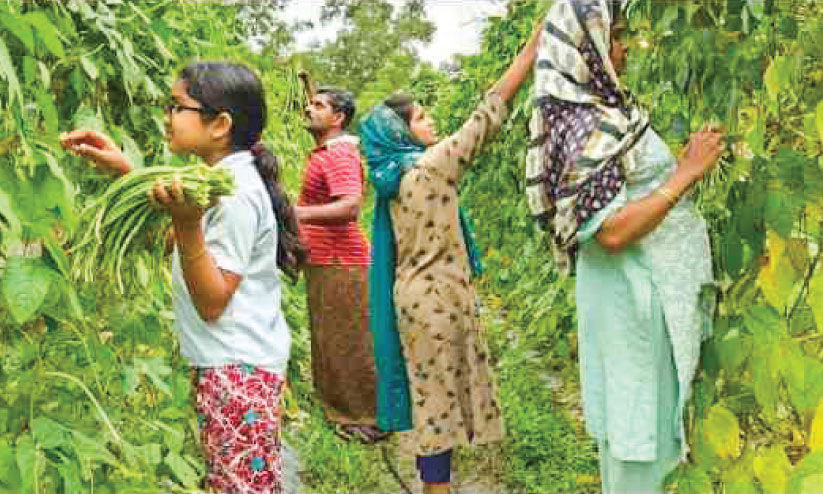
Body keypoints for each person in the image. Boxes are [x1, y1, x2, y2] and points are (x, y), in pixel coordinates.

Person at [61, 61, 302, 494]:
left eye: (177, 107)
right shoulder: (219, 182)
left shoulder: (235, 194)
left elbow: (212, 302)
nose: (167, 116)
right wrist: (126, 171)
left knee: (239, 488)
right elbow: (186, 240)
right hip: (235, 364)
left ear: (220, 124)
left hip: (237, 372)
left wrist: (188, 225)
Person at [524, 1, 724, 492]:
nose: (625, 46)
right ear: (586, 46)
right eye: (616, 36)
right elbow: (609, 230)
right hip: (633, 298)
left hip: (635, 296)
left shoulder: (599, 110)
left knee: (644, 429)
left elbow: (625, 184)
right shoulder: (584, 123)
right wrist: (686, 172)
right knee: (639, 437)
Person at [358, 25, 542, 494]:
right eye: (421, 116)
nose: (430, 119)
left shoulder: (394, 179)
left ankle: (435, 486)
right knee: (437, 409)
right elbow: (487, 117)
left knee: (430, 399)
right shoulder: (429, 167)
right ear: (402, 130)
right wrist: (528, 55)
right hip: (438, 300)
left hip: (415, 299)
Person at [295, 88, 383, 443]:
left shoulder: (340, 154)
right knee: (332, 335)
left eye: (319, 106)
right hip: (327, 258)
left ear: (338, 118)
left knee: (348, 338)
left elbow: (349, 207)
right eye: (310, 103)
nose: (308, 109)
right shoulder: (328, 152)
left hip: (341, 259)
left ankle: (366, 416)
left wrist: (295, 213)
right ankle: (343, 409)